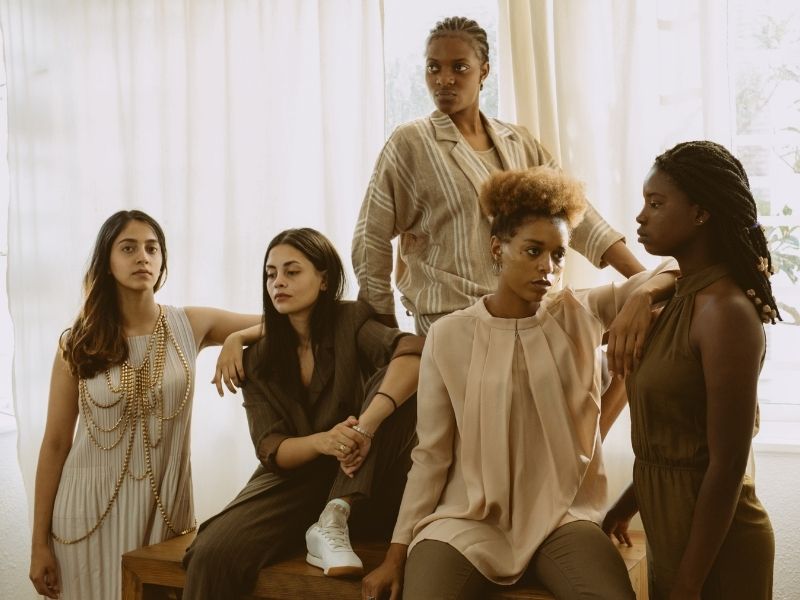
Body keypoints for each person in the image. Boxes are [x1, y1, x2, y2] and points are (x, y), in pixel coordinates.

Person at [362, 166, 679, 600]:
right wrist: (395, 555)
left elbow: (677, 268)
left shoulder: (582, 313)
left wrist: (641, 296)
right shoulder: (449, 336)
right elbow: (431, 456)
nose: (547, 267)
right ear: (497, 248)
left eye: (558, 254)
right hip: (467, 519)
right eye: (533, 251)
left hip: (563, 518)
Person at [352, 15, 645, 336]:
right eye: (433, 68)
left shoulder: (517, 141)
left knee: (625, 312)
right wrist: (385, 326)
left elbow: (578, 213)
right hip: (452, 321)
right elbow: (371, 237)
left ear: (484, 71)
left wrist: (642, 278)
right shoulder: (411, 142)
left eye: (459, 67)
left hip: (529, 312)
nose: (444, 79)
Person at [28, 210, 262, 600]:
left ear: (163, 261)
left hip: (163, 514)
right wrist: (38, 544)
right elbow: (55, 444)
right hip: (84, 517)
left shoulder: (191, 323)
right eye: (129, 248)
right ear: (107, 260)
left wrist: (238, 339)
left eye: (152, 248)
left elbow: (282, 321)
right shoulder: (77, 343)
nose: (143, 257)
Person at [182, 228, 423, 599]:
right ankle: (321, 522)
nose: (278, 282)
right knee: (212, 552)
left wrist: (366, 428)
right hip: (293, 481)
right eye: (270, 273)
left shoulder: (351, 320)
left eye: (292, 272)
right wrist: (323, 442)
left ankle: (335, 514)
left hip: (362, 478)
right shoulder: (257, 360)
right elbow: (272, 448)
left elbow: (413, 352)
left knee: (394, 384)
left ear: (324, 279)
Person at [602, 141, 775, 600]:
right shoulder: (679, 297)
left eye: (656, 204)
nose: (640, 217)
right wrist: (625, 506)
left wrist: (689, 582)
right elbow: (674, 438)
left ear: (700, 214)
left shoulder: (726, 313)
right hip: (674, 535)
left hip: (716, 549)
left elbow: (725, 464)